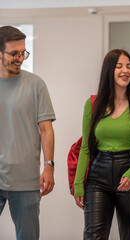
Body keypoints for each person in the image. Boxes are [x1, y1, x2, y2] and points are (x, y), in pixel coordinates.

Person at [73, 49, 130, 240]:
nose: (125, 70)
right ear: (109, 71)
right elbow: (86, 146)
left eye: (128, 66)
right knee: (94, 236)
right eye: (119, 66)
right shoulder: (92, 104)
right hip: (97, 176)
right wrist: (78, 184)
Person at [0, 26, 56, 240]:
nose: (20, 58)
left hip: (26, 180)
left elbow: (46, 129)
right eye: (14, 53)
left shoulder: (36, 84)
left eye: (23, 52)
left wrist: (49, 166)